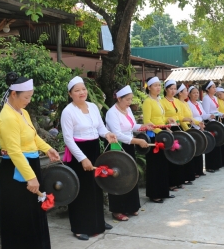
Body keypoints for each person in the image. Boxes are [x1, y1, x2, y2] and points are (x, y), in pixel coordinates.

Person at [0, 72, 60, 249]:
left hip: (29, 167)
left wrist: (47, 148)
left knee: (33, 215)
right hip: (16, 172)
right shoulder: (7, 117)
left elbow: (33, 137)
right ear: (14, 94)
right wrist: (30, 177)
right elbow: (15, 151)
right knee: (20, 218)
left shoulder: (22, 112)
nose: (29, 101)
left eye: (30, 96)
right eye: (26, 97)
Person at [61, 76, 118, 240]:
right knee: (81, 190)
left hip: (93, 149)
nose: (81, 93)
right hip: (78, 153)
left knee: (96, 186)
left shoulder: (93, 106)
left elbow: (100, 127)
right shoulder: (68, 112)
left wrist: (107, 134)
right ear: (70, 94)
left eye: (83, 89)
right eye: (77, 90)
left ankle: (97, 221)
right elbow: (68, 139)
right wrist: (82, 159)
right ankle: (79, 227)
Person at [105, 84, 151, 221]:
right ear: (119, 98)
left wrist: (143, 127)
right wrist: (136, 141)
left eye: (131, 99)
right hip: (117, 147)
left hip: (129, 145)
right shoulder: (112, 113)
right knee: (118, 177)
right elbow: (117, 134)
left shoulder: (128, 110)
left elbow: (132, 126)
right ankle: (117, 210)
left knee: (130, 175)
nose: (130, 102)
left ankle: (131, 206)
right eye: (127, 100)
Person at [142, 76, 173, 203]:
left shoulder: (158, 100)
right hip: (154, 136)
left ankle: (163, 191)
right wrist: (161, 132)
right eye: (155, 85)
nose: (158, 87)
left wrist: (168, 120)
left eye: (159, 85)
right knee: (154, 166)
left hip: (161, 135)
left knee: (162, 164)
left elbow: (160, 118)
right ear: (149, 87)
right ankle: (154, 194)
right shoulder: (147, 102)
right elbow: (147, 121)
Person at [161, 80, 193, 190]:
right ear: (166, 90)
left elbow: (179, 116)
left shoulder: (177, 101)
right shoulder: (162, 102)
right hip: (169, 129)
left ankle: (179, 180)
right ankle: (171, 183)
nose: (173, 91)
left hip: (177, 128)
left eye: (175, 88)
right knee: (171, 155)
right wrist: (167, 120)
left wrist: (187, 119)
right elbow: (161, 118)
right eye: (171, 89)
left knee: (179, 154)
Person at [176, 83, 205, 181]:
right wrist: (187, 131)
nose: (187, 93)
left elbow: (191, 118)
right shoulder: (178, 103)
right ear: (180, 93)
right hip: (184, 130)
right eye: (185, 91)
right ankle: (185, 177)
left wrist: (198, 123)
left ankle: (191, 175)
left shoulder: (185, 102)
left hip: (189, 129)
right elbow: (181, 119)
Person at [187, 86, 214, 177]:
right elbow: (190, 118)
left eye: (197, 93)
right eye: (194, 93)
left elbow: (203, 115)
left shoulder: (198, 103)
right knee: (194, 150)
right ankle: (194, 171)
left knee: (200, 149)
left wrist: (211, 115)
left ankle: (199, 170)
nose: (196, 94)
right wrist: (197, 125)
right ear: (189, 94)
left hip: (200, 126)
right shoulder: (188, 104)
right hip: (193, 127)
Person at [201, 80, 223, 172]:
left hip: (216, 121)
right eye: (213, 87)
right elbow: (206, 112)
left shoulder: (214, 98)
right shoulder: (206, 98)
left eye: (215, 87)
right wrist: (213, 120)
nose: (215, 89)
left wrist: (222, 115)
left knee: (217, 142)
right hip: (210, 123)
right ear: (208, 89)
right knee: (211, 143)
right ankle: (210, 165)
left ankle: (216, 164)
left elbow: (216, 111)